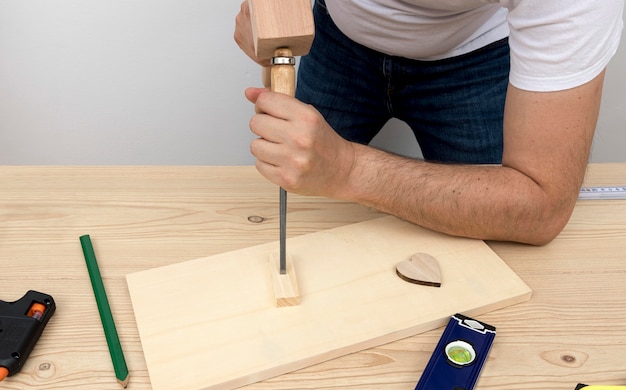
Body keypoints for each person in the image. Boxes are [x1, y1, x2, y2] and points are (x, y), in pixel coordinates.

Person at [234, 0, 624, 245]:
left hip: (476, 59)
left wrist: (350, 169)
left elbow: (541, 207)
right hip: (337, 37)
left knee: (493, 238)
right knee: (298, 209)